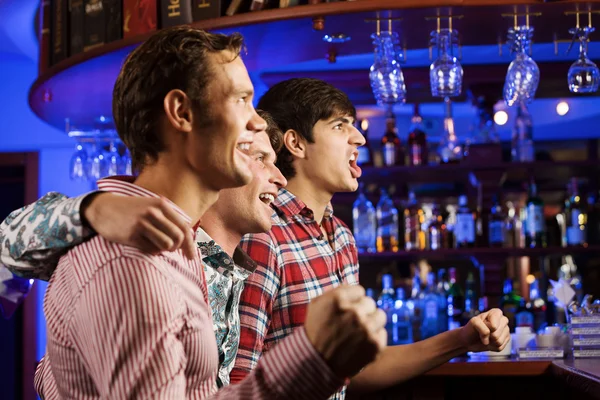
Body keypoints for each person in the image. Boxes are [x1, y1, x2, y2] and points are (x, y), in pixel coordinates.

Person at [3, 27, 386, 399]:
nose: (257, 121)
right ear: (182, 112)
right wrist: (311, 358)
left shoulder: (183, 249)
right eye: (240, 99)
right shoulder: (135, 256)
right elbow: (9, 249)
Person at [229, 78, 510, 398]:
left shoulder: (342, 238)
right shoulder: (264, 238)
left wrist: (462, 339)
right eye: (339, 126)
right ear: (296, 143)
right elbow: (240, 382)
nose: (360, 137)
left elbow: (352, 372)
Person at [0, 111, 288, 390]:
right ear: (217, 164)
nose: (280, 178)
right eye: (260, 158)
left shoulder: (233, 267)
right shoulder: (138, 240)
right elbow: (7, 241)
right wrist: (94, 208)